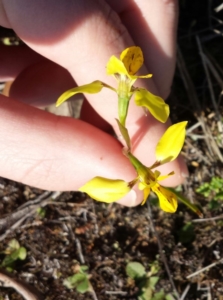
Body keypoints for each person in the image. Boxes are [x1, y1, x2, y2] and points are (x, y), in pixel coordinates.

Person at [0, 0, 187, 206]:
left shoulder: (142, 100)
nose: (151, 181)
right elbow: (160, 115)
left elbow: (161, 113)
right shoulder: (117, 91)